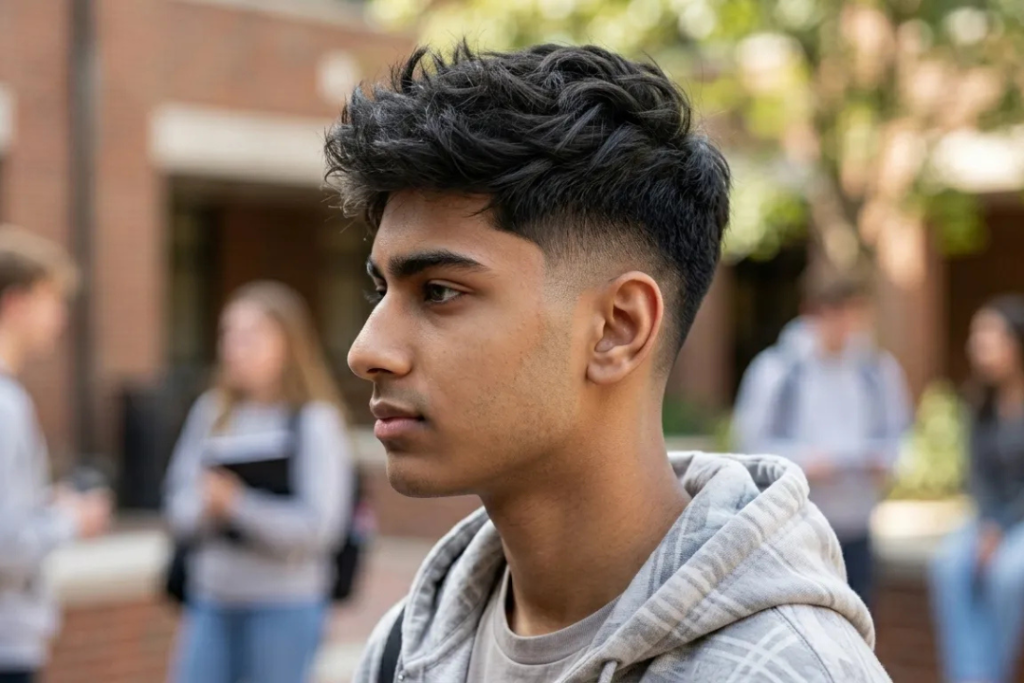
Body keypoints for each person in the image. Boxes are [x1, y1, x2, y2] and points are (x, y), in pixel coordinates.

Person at [326, 43, 891, 683]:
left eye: (438, 291)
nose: (366, 351)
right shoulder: (405, 646)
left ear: (617, 329)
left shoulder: (783, 671)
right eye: (381, 291)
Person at [163, 281, 352, 683]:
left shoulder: (314, 421)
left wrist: (238, 505)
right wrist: (206, 506)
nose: (234, 347)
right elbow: (176, 506)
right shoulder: (211, 412)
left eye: (250, 336)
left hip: (285, 604)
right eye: (228, 334)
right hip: (210, 599)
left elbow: (321, 529)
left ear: (287, 345)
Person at [733, 270, 912, 606]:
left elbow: (900, 435)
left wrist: (886, 461)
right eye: (837, 314)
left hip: (856, 521)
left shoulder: (877, 369)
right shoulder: (777, 370)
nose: (847, 327)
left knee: (859, 616)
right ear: (812, 313)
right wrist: (804, 462)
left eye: (854, 314)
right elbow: (749, 447)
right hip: (795, 525)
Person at [0, 226, 112, 683]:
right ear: (16, 303)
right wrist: (72, 519)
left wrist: (44, 508)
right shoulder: (6, 405)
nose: (60, 318)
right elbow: (7, 544)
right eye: (52, 300)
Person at [929, 295, 1024, 683]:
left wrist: (1000, 527)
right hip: (990, 518)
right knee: (949, 563)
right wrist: (988, 523)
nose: (977, 345)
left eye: (988, 335)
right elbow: (978, 476)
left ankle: (992, 673)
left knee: (1008, 574)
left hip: (1017, 519)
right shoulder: (979, 401)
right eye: (976, 335)